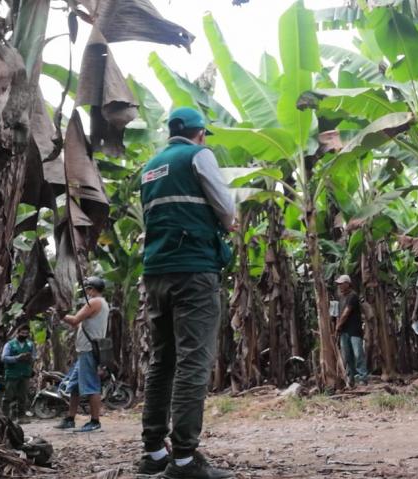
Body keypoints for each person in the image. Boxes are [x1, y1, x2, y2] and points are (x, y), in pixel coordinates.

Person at [136, 107, 235, 479]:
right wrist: (228, 224)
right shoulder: (199, 155)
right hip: (194, 270)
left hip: (156, 273)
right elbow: (226, 209)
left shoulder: (150, 167)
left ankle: (153, 453)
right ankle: (183, 459)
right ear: (200, 134)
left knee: (162, 362)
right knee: (193, 360)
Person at [54, 276, 109, 432]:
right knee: (75, 387)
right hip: (85, 349)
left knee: (91, 385)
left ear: (91, 289)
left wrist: (58, 313)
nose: (86, 292)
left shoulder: (94, 302)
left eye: (87, 289)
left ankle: (95, 421)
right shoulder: (102, 303)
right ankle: (70, 419)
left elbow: (75, 320)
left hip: (88, 350)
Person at [334, 275, 368, 387]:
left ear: (348, 284)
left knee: (358, 354)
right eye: (338, 284)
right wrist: (338, 327)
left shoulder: (353, 296)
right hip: (344, 331)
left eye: (341, 283)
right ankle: (351, 379)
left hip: (354, 330)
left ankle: (362, 378)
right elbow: (339, 314)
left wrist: (338, 325)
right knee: (347, 356)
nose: (339, 286)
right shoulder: (341, 297)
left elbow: (346, 313)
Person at [1, 323, 36, 424]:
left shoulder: (30, 344)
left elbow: (34, 357)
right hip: (12, 373)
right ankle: (5, 417)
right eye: (22, 333)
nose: (24, 335)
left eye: (26, 333)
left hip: (25, 373)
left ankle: (21, 417)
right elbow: (4, 358)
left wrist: (29, 358)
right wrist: (17, 358)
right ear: (18, 333)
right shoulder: (9, 344)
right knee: (8, 396)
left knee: (22, 397)